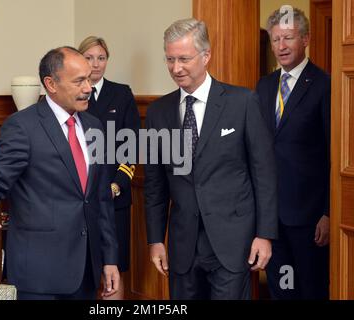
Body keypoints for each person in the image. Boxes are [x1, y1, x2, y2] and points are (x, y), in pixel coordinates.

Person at [0, 46, 120, 300]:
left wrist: (109, 259)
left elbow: (100, 200)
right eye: (79, 81)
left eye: (89, 79)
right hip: (39, 276)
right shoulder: (22, 126)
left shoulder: (95, 126)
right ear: (51, 84)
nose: (88, 88)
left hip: (86, 272)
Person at [144, 18, 278, 300]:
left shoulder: (242, 102)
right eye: (169, 59)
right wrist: (155, 239)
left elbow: (263, 173)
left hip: (232, 242)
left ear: (206, 56)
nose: (176, 68)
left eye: (184, 59)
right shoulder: (158, 112)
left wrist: (264, 235)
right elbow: (155, 184)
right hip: (182, 247)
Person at [256, 8, 330, 300]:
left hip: (309, 218)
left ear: (306, 39)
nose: (281, 46)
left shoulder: (325, 85)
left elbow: (333, 154)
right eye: (276, 39)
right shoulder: (263, 86)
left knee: (310, 289)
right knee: (281, 288)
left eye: (288, 38)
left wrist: (328, 212)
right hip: (271, 217)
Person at [78, 36, 140, 300]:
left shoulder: (121, 93)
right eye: (89, 58)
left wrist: (117, 185)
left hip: (114, 195)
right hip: (79, 198)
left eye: (101, 58)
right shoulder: (72, 94)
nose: (96, 64)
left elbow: (133, 146)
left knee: (113, 269)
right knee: (82, 268)